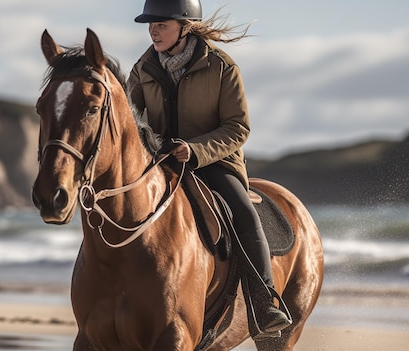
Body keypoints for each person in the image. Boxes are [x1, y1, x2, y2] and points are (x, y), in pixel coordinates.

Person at [127, 0, 292, 336]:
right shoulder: (142, 69)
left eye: (161, 24)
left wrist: (196, 150)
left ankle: (265, 303)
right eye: (151, 24)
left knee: (243, 214)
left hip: (213, 163)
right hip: (159, 164)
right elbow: (132, 122)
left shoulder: (221, 67)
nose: (153, 30)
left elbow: (238, 128)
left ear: (185, 26)